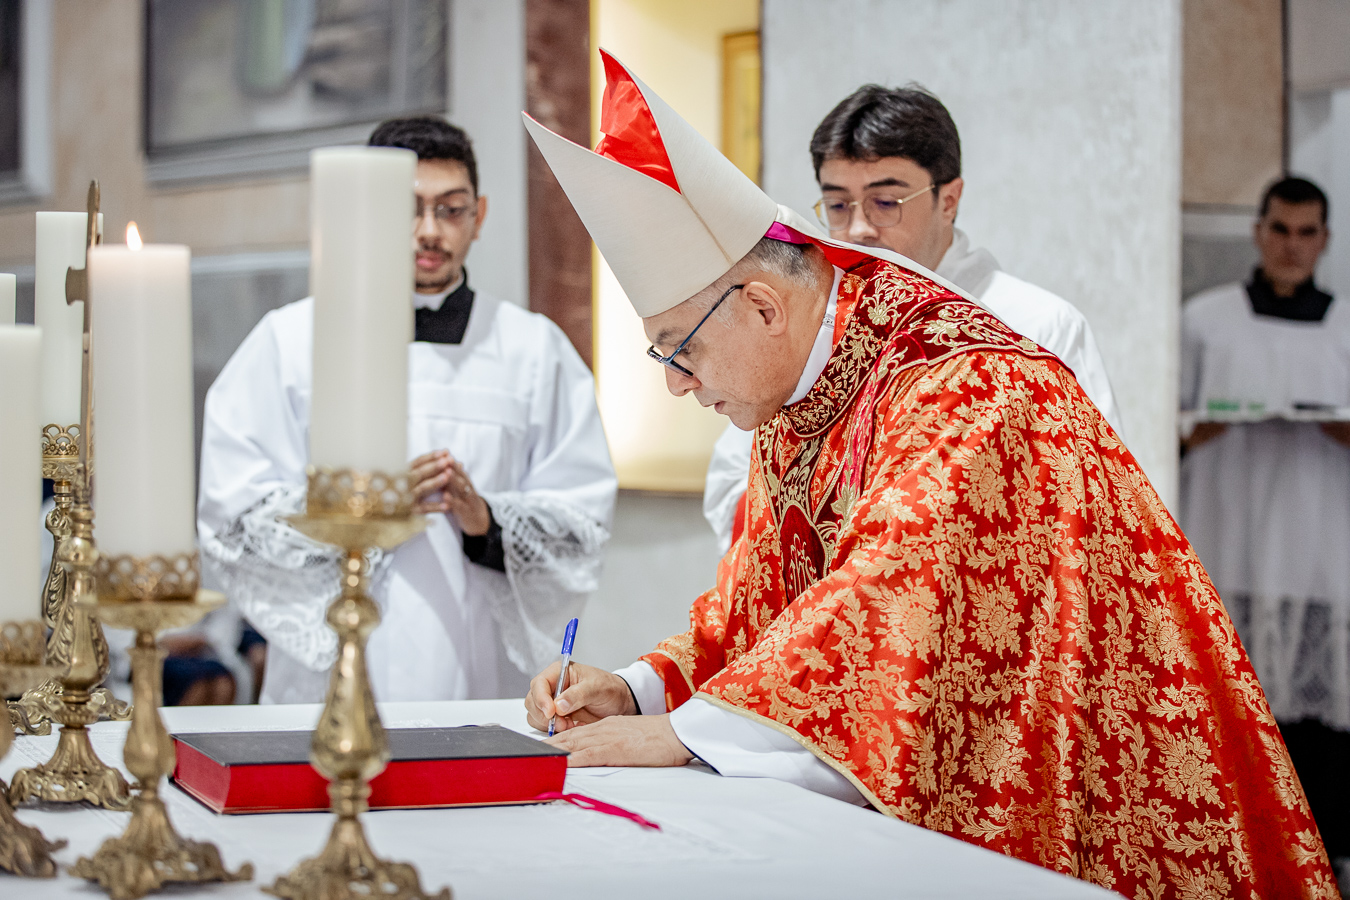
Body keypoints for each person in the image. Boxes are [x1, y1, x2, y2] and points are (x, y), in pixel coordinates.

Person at [520, 51, 1336, 898]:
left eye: (679, 351)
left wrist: (691, 738)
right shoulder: (800, 394)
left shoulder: (962, 383)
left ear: (764, 308)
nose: (675, 384)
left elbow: (887, 594)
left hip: (1086, 760)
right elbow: (762, 605)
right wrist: (640, 691)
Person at [198, 116, 617, 704]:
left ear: (480, 216)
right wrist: (363, 506)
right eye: (407, 209)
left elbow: (580, 525)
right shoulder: (289, 342)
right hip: (325, 686)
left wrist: (488, 522)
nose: (429, 231)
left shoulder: (533, 350)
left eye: (451, 209)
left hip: (477, 678)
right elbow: (234, 517)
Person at [703, 85, 1122, 552]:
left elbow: (1095, 497)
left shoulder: (1035, 327)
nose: (858, 228)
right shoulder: (812, 328)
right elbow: (733, 483)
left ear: (949, 199)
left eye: (885, 202)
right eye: (838, 205)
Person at [1180, 175, 1350, 882]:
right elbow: (1164, 428)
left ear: (1326, 240)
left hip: (1319, 552)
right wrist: (1204, 424)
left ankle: (1321, 869)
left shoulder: (1346, 326)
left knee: (1315, 731)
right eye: (1280, 229)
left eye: (1307, 233)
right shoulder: (1203, 319)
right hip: (1229, 539)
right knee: (1230, 715)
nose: (1291, 246)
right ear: (1258, 231)